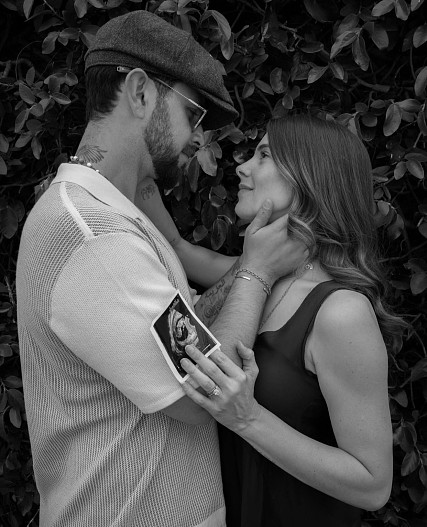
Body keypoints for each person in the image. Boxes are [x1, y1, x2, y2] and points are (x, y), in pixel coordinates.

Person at [16, 11, 306, 527]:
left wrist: (254, 263)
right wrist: (256, 272)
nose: (198, 135)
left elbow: (187, 333)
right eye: (192, 113)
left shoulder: (113, 217)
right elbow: (202, 395)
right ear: (140, 92)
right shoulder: (93, 237)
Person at [143, 114, 405, 527]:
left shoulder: (340, 312)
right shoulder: (254, 277)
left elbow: (373, 486)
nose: (242, 167)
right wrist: (132, 176)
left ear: (309, 177)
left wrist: (249, 418)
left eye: (263, 155)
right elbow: (178, 247)